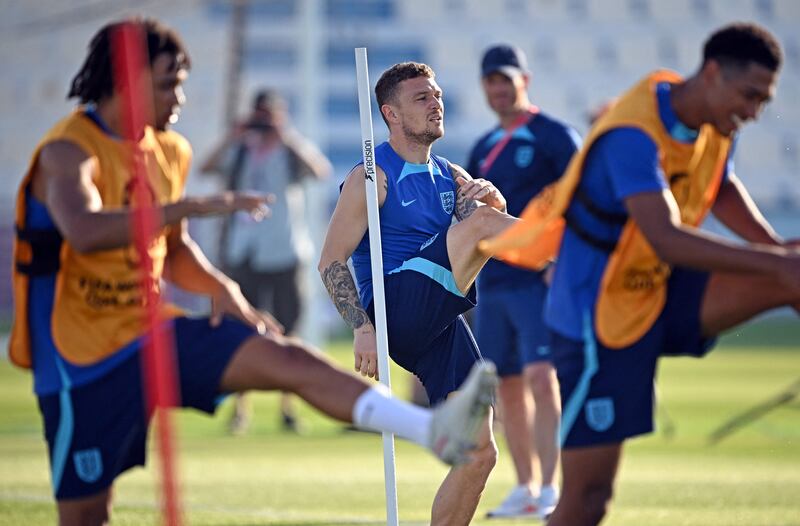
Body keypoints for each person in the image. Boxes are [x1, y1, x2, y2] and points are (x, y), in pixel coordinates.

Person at [8, 18, 499, 525]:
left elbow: (171, 250)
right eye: (167, 85)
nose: (179, 98)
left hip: (151, 329)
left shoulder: (169, 150)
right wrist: (197, 206)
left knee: (290, 359)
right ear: (124, 80)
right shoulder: (68, 151)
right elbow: (85, 231)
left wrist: (225, 294)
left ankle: (428, 427)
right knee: (86, 515)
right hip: (80, 358)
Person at [483, 22, 800, 526]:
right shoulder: (632, 132)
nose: (756, 111)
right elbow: (666, 237)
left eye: (764, 100)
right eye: (750, 95)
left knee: (790, 275)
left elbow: (719, 185)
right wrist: (781, 261)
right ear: (713, 74)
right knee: (587, 501)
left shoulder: (718, 124)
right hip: (596, 320)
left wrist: (776, 248)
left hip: (656, 290)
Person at [318, 61, 520, 525]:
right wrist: (362, 328)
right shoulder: (371, 177)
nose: (436, 105)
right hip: (393, 305)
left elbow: (487, 229)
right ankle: (577, 254)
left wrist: (497, 202)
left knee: (479, 454)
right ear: (390, 114)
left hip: (437, 322)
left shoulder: (449, 174)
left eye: (438, 96)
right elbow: (330, 260)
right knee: (485, 225)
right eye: (421, 98)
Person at [466, 44, 581, 519]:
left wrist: (565, 262)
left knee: (540, 375)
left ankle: (552, 487)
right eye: (490, 81)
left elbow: (581, 196)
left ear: (524, 81)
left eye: (505, 80)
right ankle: (525, 486)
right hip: (493, 283)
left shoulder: (554, 135)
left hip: (539, 280)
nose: (498, 89)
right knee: (506, 385)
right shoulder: (484, 147)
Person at [200, 88, 332, 434]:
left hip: (284, 252)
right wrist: (235, 134)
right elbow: (207, 167)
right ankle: (241, 410)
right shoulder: (241, 152)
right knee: (243, 330)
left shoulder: (288, 151)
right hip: (244, 252)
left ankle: (288, 408)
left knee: (288, 329)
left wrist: (284, 136)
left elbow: (320, 171)